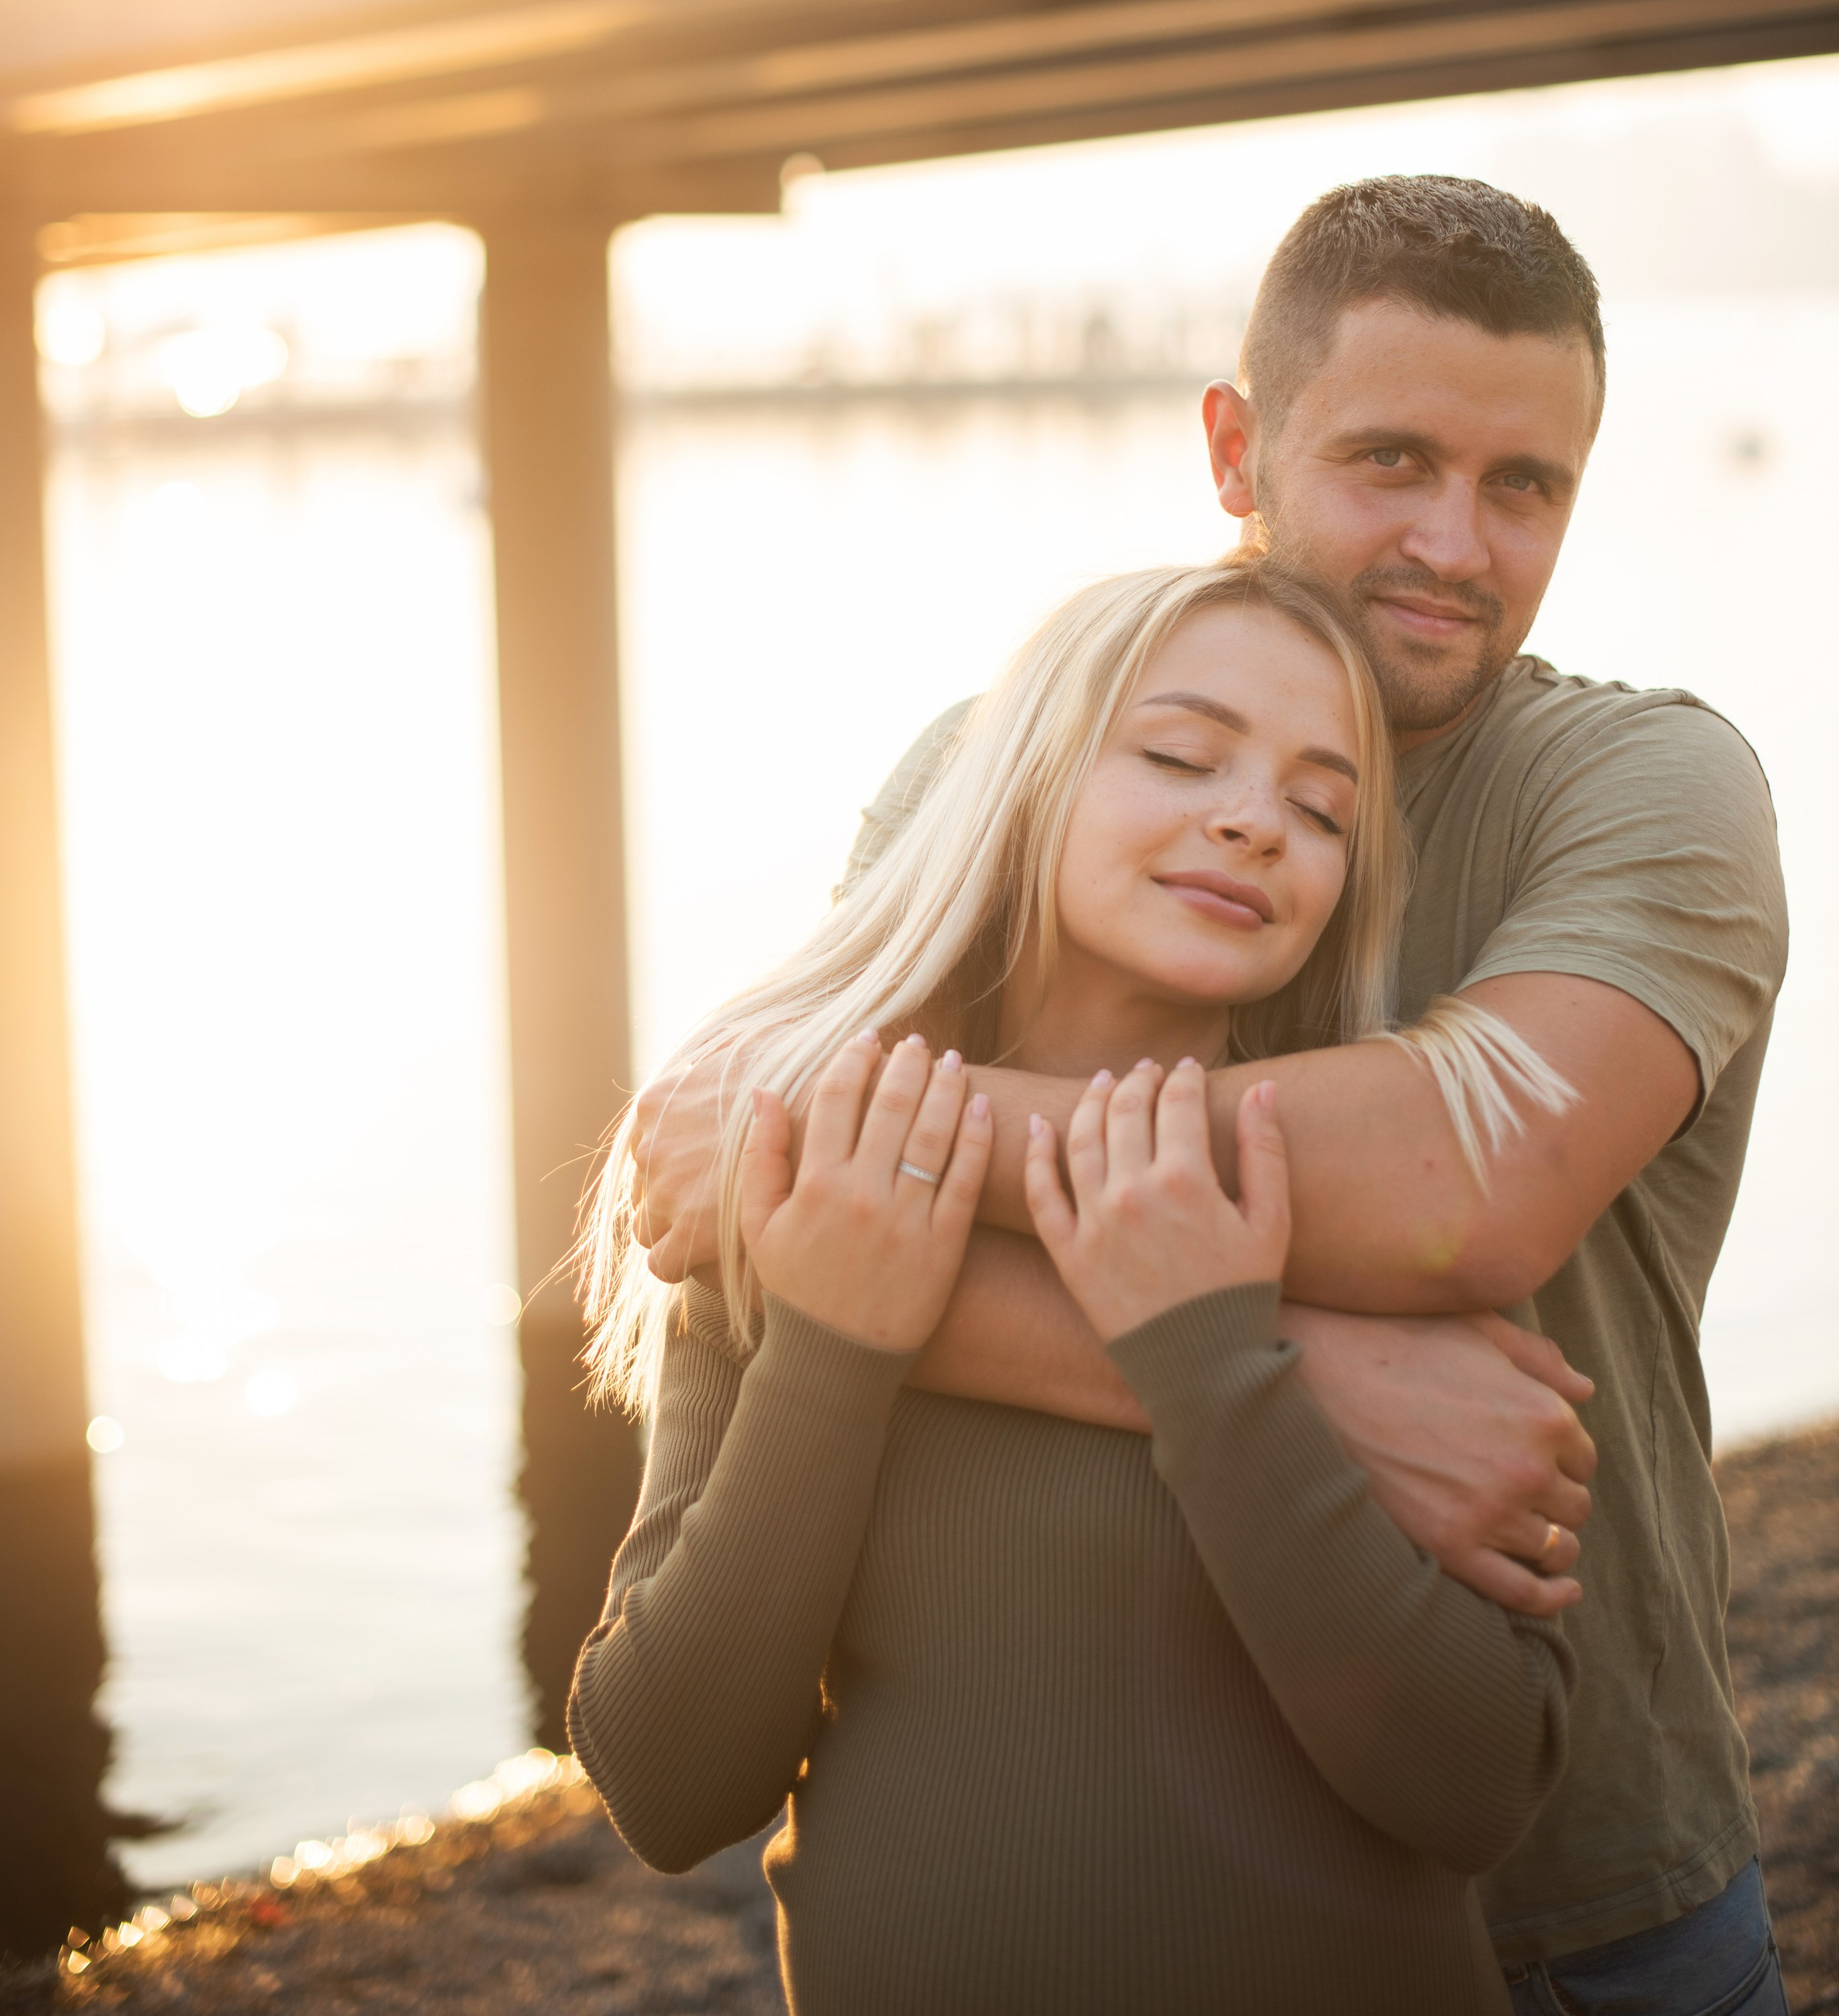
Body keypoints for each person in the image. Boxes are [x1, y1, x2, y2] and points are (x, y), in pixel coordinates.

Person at [631, 176, 1791, 2015]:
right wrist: (1321, 1381)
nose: (1454, 542)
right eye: (1389, 458)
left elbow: (1455, 1195)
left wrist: (831, 1147)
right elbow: (668, 1716)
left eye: (1523, 486)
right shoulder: (995, 758)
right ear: (1234, 445)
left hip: (1587, 1906)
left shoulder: (1644, 784)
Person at [574, 559, 1573, 2015]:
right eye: (1178, 753)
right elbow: (667, 1785)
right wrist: (834, 1347)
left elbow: (1476, 1788)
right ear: (1024, 783)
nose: (1251, 818)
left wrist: (1214, 1361)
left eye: (1318, 806)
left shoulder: (1361, 1218)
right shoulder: (798, 1193)